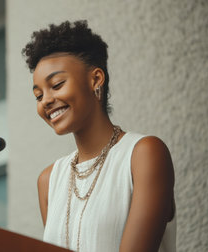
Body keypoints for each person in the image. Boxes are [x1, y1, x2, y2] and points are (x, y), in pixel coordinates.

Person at [22, 20, 176, 252]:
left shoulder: (144, 154)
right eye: (38, 95)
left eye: (57, 84)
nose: (45, 100)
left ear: (95, 79)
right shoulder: (49, 180)